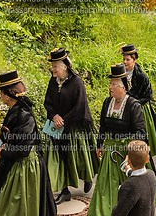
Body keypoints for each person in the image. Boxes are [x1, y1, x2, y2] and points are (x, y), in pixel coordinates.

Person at [0, 71, 56, 216]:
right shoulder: (15, 110)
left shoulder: (23, 114)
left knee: (17, 205)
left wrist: (2, 153)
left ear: (7, 95)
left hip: (26, 166)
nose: (0, 96)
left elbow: (24, 149)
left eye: (0, 93)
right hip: (17, 162)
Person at [88, 64, 147, 216]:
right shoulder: (107, 102)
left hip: (126, 151)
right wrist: (99, 144)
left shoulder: (133, 105)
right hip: (110, 151)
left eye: (114, 84)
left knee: (127, 185)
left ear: (124, 87)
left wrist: (132, 154)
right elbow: (103, 126)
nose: (111, 87)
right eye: (111, 83)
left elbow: (140, 132)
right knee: (105, 185)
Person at [44, 48, 98, 205]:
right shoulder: (53, 82)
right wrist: (54, 116)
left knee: (79, 157)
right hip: (56, 126)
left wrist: (64, 120)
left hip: (75, 125)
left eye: (55, 66)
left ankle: (87, 177)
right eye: (52, 66)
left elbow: (80, 107)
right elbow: (47, 102)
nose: (53, 69)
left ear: (65, 66)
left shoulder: (77, 83)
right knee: (60, 158)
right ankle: (64, 191)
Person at [121, 44, 156, 157]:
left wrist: (135, 103)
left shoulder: (141, 76)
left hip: (140, 108)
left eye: (128, 59)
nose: (125, 62)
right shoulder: (121, 74)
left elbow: (148, 95)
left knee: (140, 135)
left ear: (134, 60)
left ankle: (142, 157)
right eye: (124, 59)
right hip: (124, 108)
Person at [112, 140, 156, 216]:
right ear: (147, 159)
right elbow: (140, 179)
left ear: (128, 161)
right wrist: (128, 170)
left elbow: (119, 213)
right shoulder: (151, 175)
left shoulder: (128, 186)